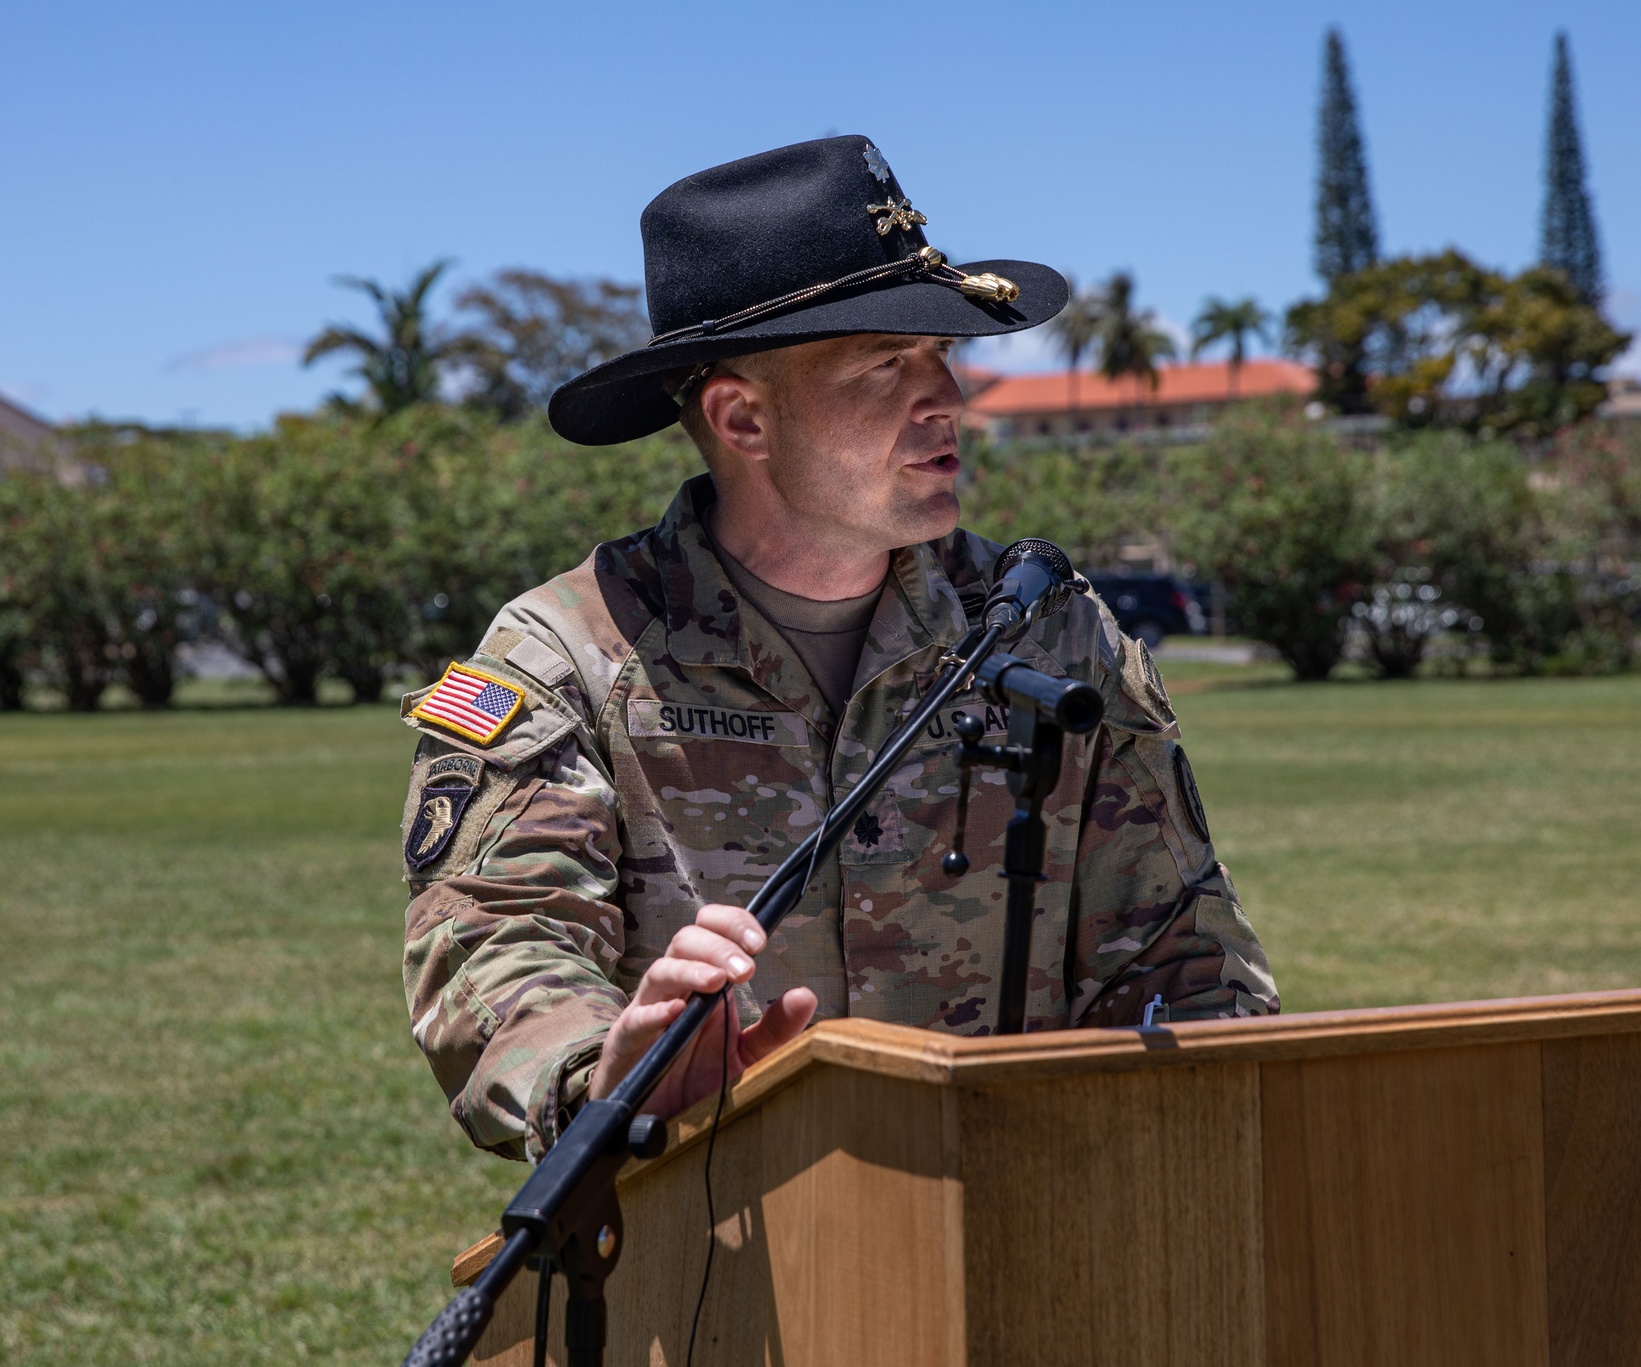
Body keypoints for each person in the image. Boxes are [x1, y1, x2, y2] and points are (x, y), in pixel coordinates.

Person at [399, 136, 1278, 1162]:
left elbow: (1185, 953)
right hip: (712, 1260)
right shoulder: (563, 657)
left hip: (1023, 1231)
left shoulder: (1047, 629)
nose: (946, 396)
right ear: (742, 417)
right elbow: (497, 950)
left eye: (943, 355)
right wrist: (606, 1073)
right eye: (884, 364)